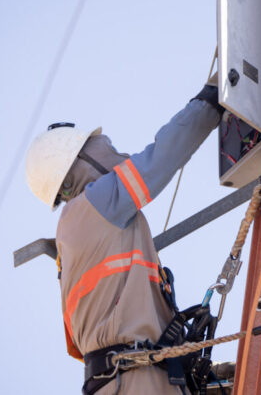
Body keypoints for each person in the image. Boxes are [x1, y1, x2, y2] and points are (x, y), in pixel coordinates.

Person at [24, 80, 223, 395]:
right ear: (75, 170)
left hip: (133, 377)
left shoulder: (84, 235)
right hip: (132, 380)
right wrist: (213, 99)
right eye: (100, 145)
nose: (112, 149)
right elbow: (160, 159)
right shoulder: (91, 206)